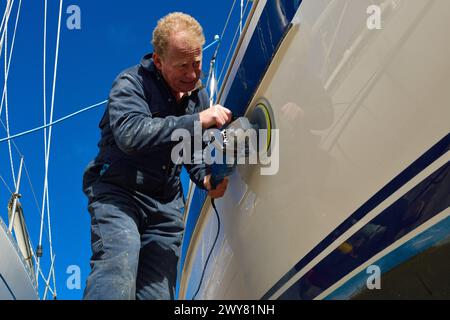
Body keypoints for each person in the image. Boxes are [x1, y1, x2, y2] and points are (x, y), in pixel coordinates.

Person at [82, 12, 232, 300]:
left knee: (158, 294)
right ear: (159, 61)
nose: (192, 74)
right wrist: (198, 120)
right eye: (182, 66)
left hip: (165, 207)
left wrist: (206, 179)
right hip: (119, 194)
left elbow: (191, 152)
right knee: (118, 267)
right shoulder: (130, 83)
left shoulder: (198, 99)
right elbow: (131, 134)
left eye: (197, 63)